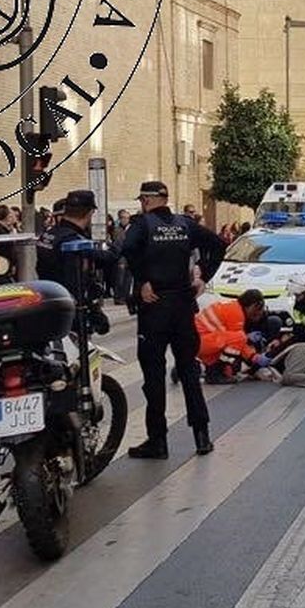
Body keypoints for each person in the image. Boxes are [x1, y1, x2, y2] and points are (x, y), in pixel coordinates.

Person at [121, 181, 225, 459]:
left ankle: (158, 441)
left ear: (147, 200)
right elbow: (218, 245)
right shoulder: (185, 224)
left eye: (143, 199)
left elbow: (127, 249)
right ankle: (201, 436)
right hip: (181, 305)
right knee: (189, 370)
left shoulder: (142, 224)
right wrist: (203, 274)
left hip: (154, 307)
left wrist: (142, 280)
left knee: (153, 376)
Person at [197, 288, 267, 383]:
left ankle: (192, 368)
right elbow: (239, 341)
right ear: (253, 306)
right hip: (203, 342)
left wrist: (253, 356)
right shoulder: (237, 314)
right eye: (258, 310)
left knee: (218, 356)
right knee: (240, 337)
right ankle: (218, 373)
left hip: (200, 341)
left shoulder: (233, 306)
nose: (258, 313)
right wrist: (253, 356)